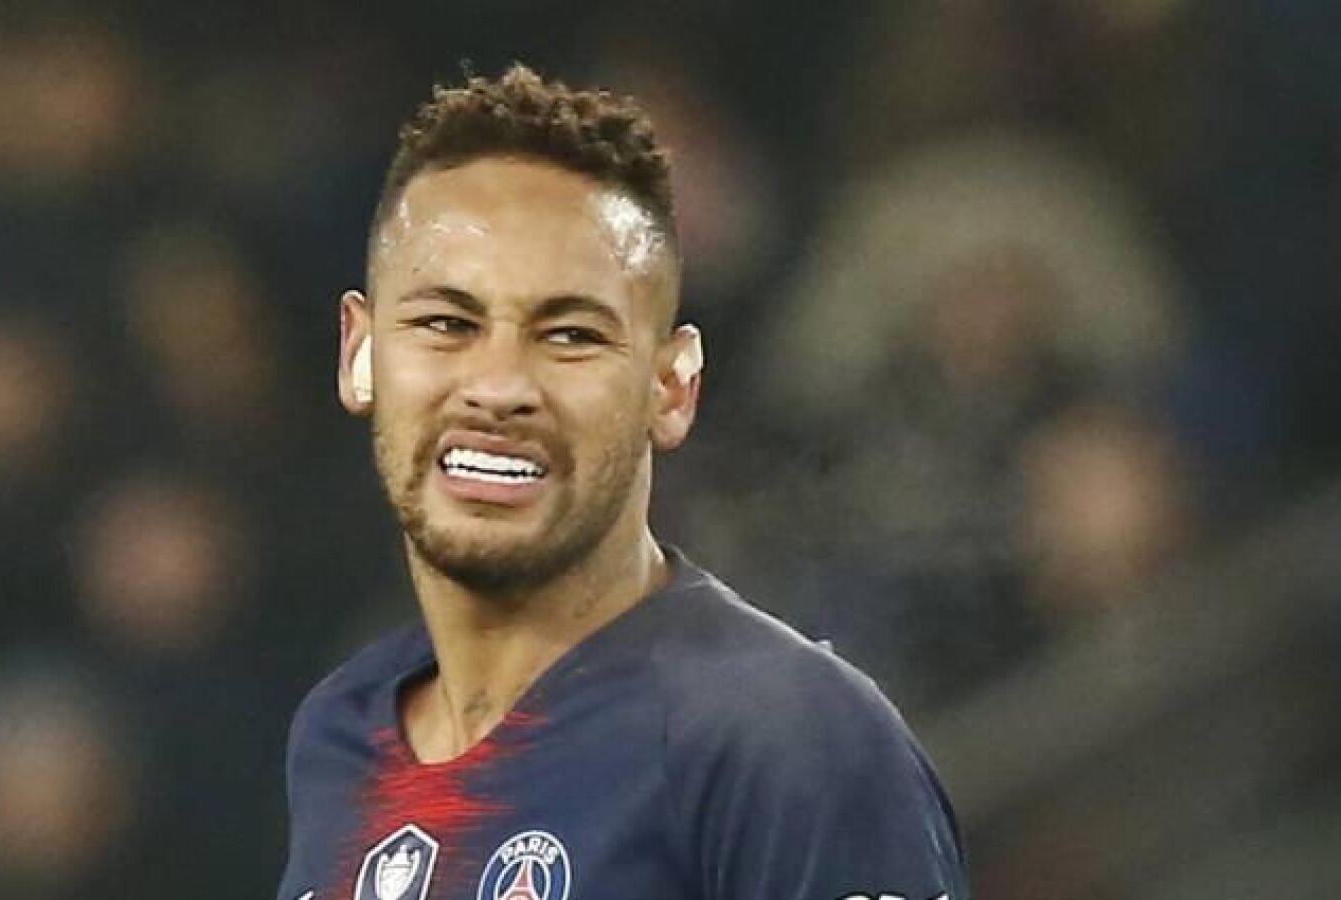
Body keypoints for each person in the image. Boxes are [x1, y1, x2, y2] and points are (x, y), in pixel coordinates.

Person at [276, 64, 969, 900]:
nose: (497, 387)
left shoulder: (780, 737)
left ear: (670, 387)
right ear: (360, 354)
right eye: (445, 323)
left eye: (569, 335)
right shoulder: (340, 732)